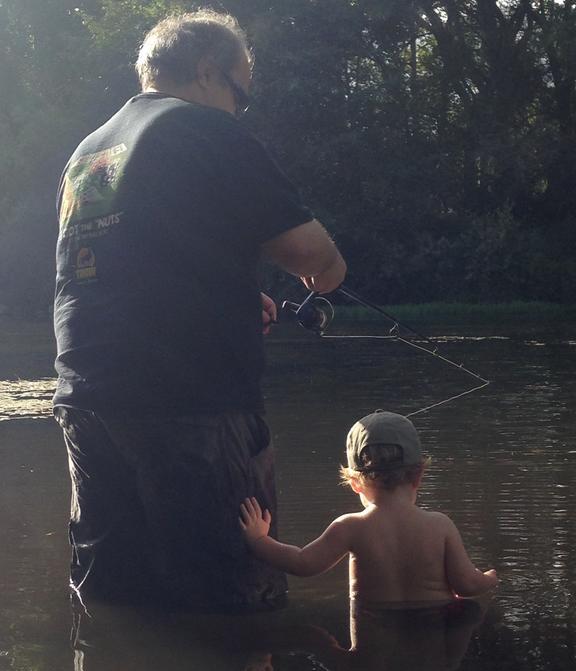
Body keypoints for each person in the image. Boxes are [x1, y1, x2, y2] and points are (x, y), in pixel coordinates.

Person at [53, 9, 346, 611]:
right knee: (227, 588)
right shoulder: (207, 130)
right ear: (209, 73)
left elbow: (129, 262)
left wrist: (236, 293)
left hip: (87, 399)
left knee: (115, 599)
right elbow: (315, 258)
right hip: (190, 402)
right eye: (241, 94)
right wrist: (329, 275)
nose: (240, 109)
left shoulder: (91, 150)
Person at [240, 410, 498, 605]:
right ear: (419, 475)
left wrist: (258, 540)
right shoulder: (440, 525)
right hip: (431, 640)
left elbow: (302, 563)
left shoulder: (351, 527)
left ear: (354, 483)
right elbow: (466, 585)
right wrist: (489, 577)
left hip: (373, 640)